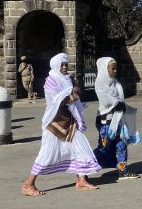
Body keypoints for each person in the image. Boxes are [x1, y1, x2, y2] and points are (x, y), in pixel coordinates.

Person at [21, 53, 101, 196]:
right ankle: (28, 184)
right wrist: (72, 93)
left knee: (80, 148)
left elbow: (74, 96)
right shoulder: (51, 81)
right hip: (55, 122)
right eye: (62, 65)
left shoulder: (68, 79)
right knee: (47, 153)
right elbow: (57, 101)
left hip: (70, 121)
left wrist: (75, 95)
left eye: (66, 65)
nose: (64, 67)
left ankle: (81, 180)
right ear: (56, 65)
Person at [93, 57, 141, 181]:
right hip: (106, 121)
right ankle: (85, 166)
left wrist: (123, 106)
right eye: (112, 68)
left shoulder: (115, 83)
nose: (115, 71)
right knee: (104, 147)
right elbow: (104, 100)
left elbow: (120, 99)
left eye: (116, 69)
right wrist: (116, 104)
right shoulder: (100, 83)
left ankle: (123, 171)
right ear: (105, 69)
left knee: (122, 144)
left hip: (118, 119)